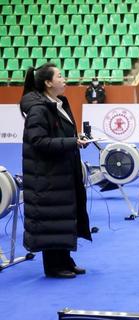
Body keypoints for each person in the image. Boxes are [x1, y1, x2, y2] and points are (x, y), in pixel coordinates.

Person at [19, 63, 92, 278]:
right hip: (47, 175)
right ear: (48, 83)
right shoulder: (39, 109)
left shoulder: (59, 103)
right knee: (52, 218)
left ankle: (65, 260)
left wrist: (77, 141)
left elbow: (62, 134)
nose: (64, 79)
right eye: (59, 76)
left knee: (64, 217)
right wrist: (72, 142)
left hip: (63, 171)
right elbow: (39, 142)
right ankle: (53, 266)